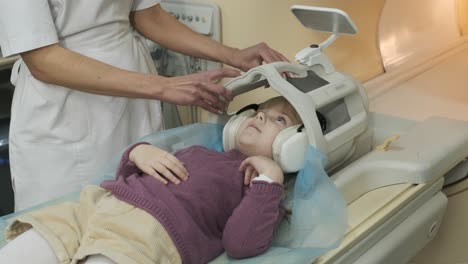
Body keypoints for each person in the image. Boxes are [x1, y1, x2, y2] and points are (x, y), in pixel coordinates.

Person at [0, 0, 289, 211]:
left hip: (133, 94)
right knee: (64, 227)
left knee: (137, 212)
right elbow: (42, 59)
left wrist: (234, 55)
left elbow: (147, 15)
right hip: (66, 106)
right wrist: (164, 86)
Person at [0, 96, 302, 264]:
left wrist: (269, 179)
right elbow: (128, 177)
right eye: (260, 112)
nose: (260, 117)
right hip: (97, 206)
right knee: (18, 253)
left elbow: (240, 243)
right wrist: (138, 153)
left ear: (295, 145)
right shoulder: (199, 151)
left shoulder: (263, 195)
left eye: (279, 120)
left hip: (146, 235)